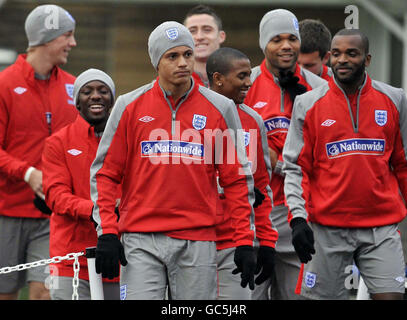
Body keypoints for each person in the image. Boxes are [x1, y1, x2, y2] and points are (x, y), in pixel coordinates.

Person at [89, 21, 257, 300]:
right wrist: (107, 230)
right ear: (157, 61)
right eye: (172, 56)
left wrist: (244, 240)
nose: (183, 63)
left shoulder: (221, 107)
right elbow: (105, 173)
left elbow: (237, 179)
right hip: (141, 240)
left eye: (188, 55)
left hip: (198, 240)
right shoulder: (128, 106)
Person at [283, 28, 407, 300]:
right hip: (326, 228)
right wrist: (298, 218)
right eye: (336, 54)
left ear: (367, 59)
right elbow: (296, 168)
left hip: (380, 228)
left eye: (352, 53)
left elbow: (403, 163)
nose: (342, 60)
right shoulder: (307, 104)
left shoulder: (395, 99)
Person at [244, 8, 326, 300]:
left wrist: (277, 160)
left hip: (299, 222)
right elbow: (235, 151)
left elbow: (321, 159)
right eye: (277, 39)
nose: (286, 46)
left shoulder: (320, 90)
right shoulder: (245, 84)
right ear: (264, 44)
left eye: (292, 38)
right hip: (255, 220)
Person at [0, 4, 78, 300]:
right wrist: (28, 173)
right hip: (6, 212)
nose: (73, 43)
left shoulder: (74, 87)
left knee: (45, 294)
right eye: (67, 35)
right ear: (47, 38)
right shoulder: (4, 85)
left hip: (52, 217)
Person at [42, 68, 120, 300]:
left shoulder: (126, 140)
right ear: (77, 102)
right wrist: (99, 210)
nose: (95, 96)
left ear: (112, 100)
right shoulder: (57, 142)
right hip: (70, 259)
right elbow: (55, 195)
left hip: (120, 255)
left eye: (103, 91)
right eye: (87, 92)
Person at [207, 47, 278, 300]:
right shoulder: (192, 116)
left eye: (249, 75)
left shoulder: (253, 121)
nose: (249, 82)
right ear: (218, 79)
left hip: (236, 242)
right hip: (194, 241)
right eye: (242, 76)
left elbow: (262, 186)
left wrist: (267, 241)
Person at [184, 4, 226, 87]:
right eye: (192, 31)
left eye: (207, 30)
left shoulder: (240, 81)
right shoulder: (171, 84)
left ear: (221, 36)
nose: (199, 37)